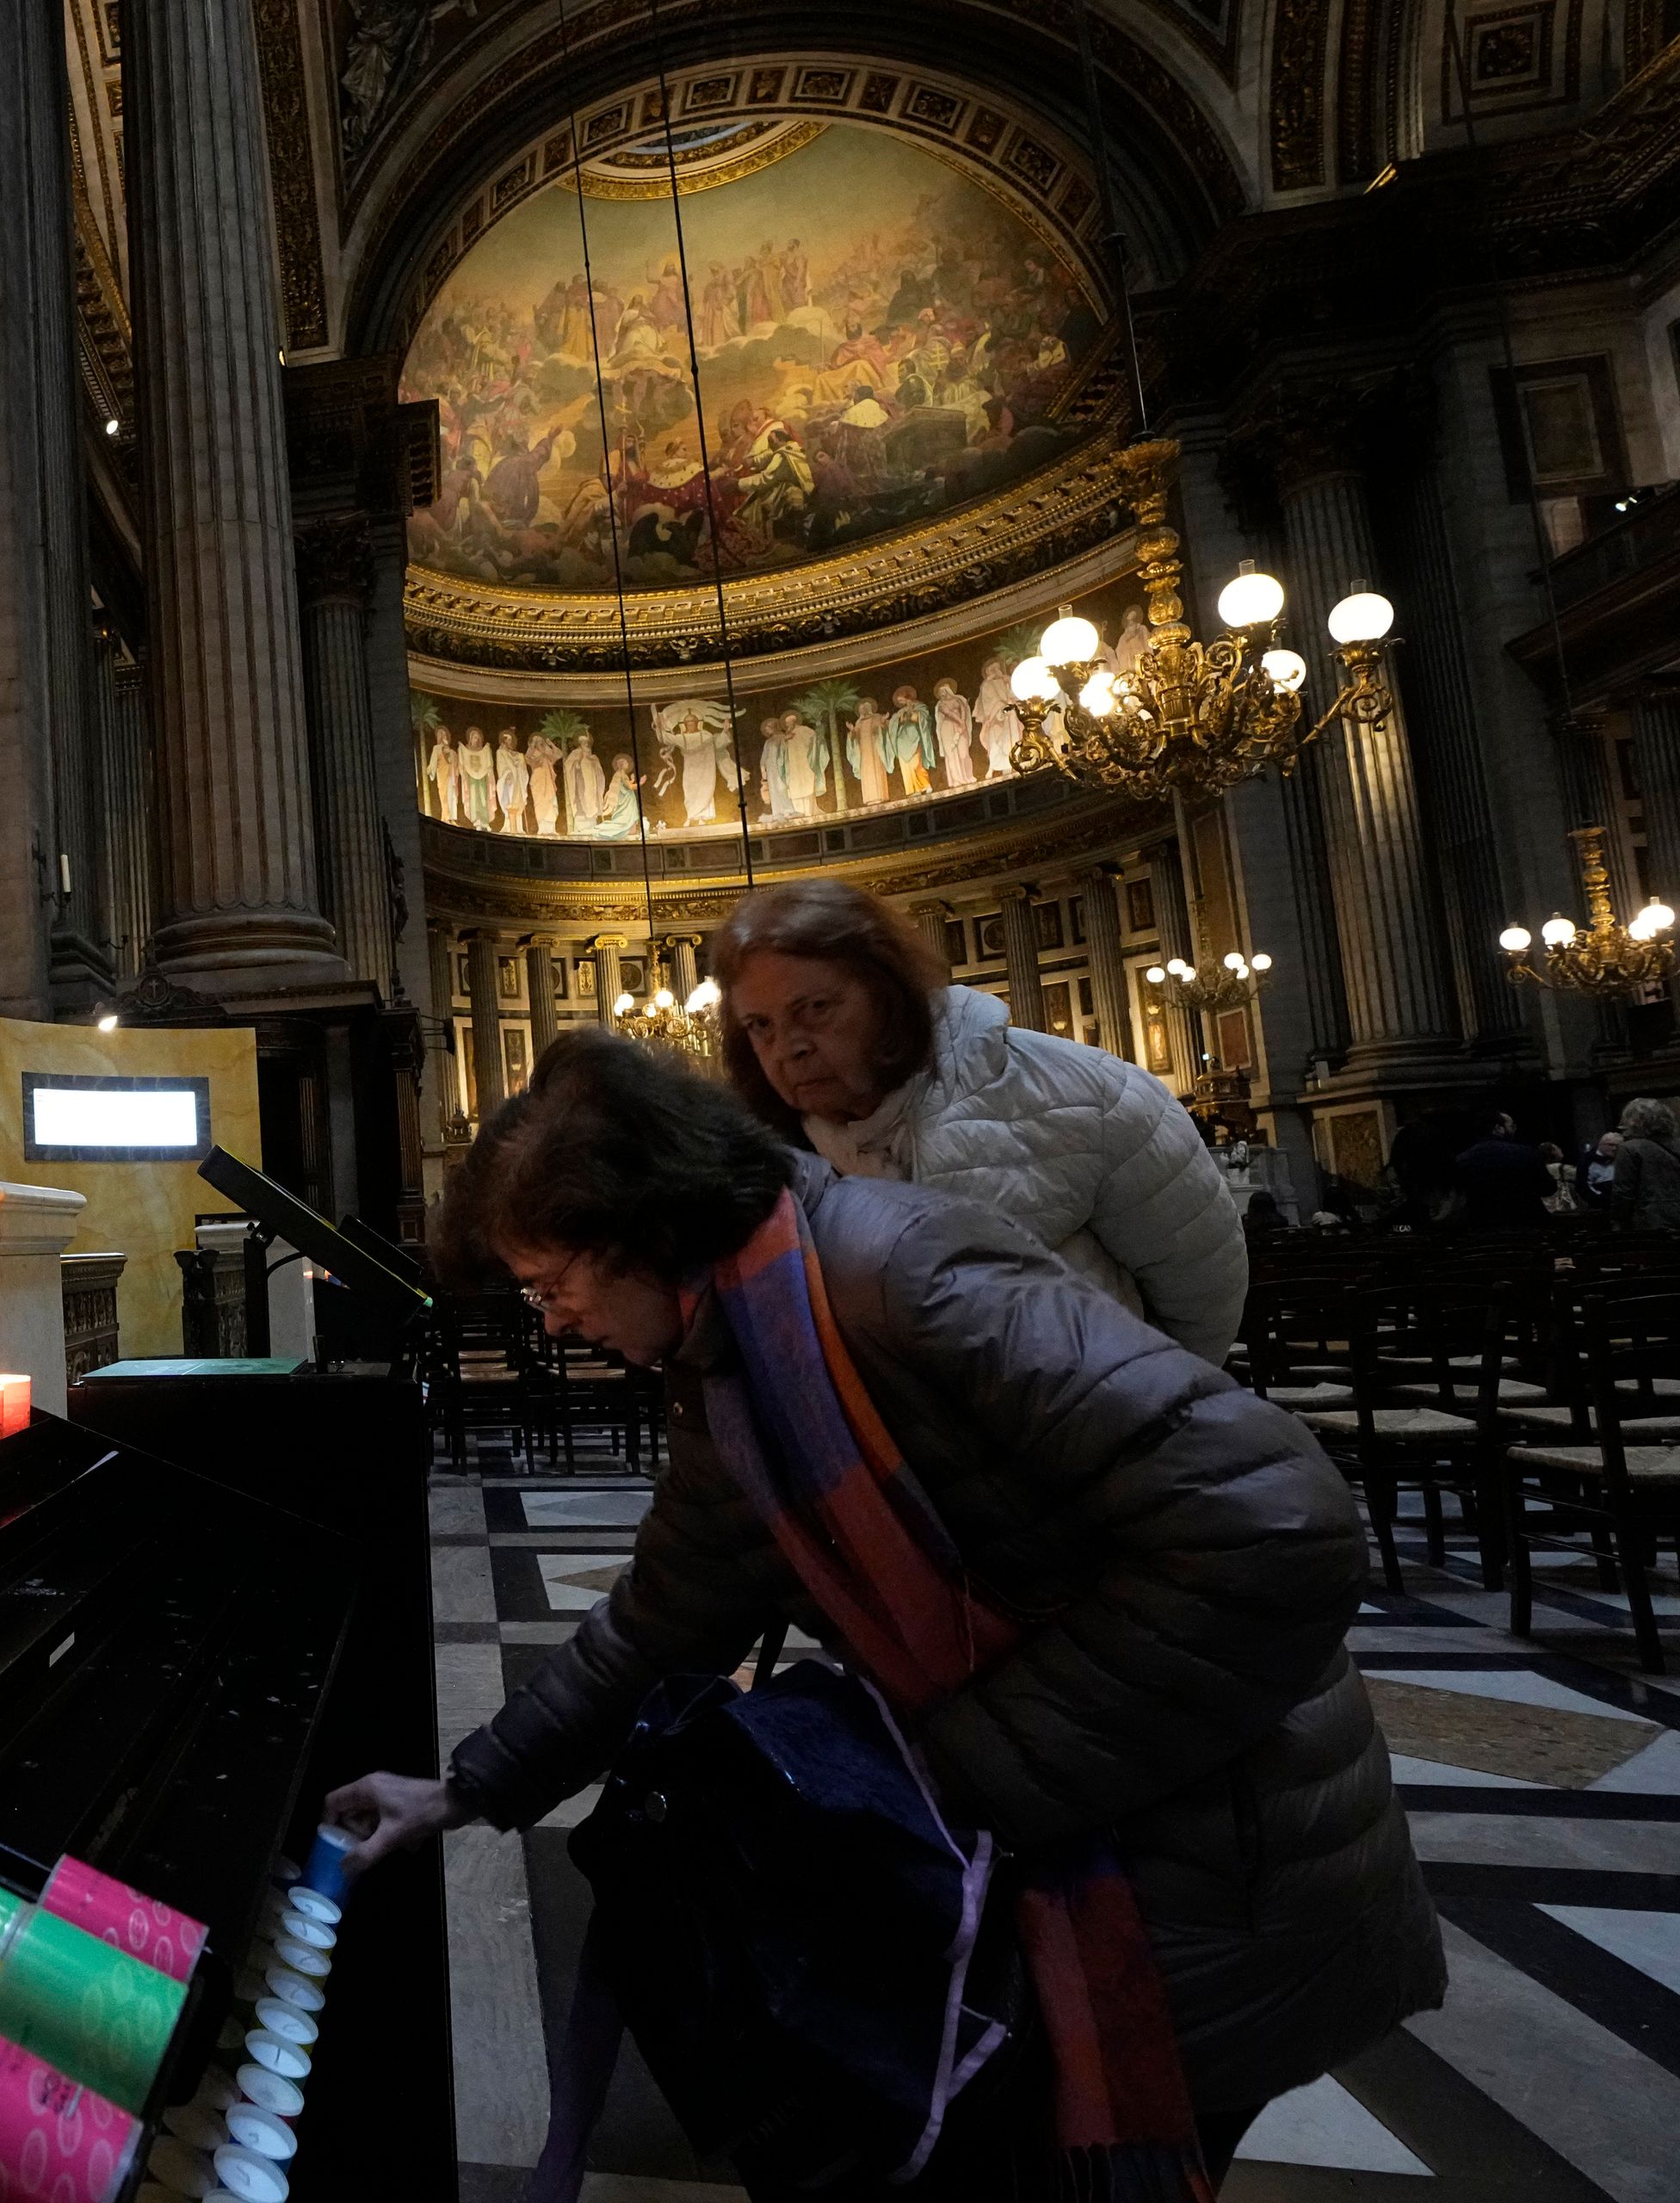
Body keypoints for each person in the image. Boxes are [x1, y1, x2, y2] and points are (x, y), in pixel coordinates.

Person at [326, 1034, 1442, 2194]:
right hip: (1094, 1838)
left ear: (646, 1234)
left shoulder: (905, 1277)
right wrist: (473, 1784)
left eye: (552, 1283)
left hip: (1218, 1846)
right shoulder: (746, 1338)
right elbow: (669, 1609)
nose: (551, 1321)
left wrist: (957, 1770)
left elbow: (1278, 1525)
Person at [706, 879, 1248, 1364]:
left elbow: (1204, 1290)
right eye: (760, 1025)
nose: (788, 1049)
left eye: (815, 1008)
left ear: (889, 993)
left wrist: (1136, 1418)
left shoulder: (1086, 1092)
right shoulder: (755, 1161)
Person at [1450, 1113, 1553, 1230]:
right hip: (1529, 1226)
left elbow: (1459, 1199)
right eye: (1511, 1126)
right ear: (1498, 1128)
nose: (1514, 1130)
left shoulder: (1461, 1160)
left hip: (1483, 1229)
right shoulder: (1526, 1153)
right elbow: (1548, 1188)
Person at [1615, 1097, 1680, 1230]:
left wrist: (1618, 1223)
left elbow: (1623, 1194)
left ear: (1635, 1122)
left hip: (1652, 1223)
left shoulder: (1629, 1149)